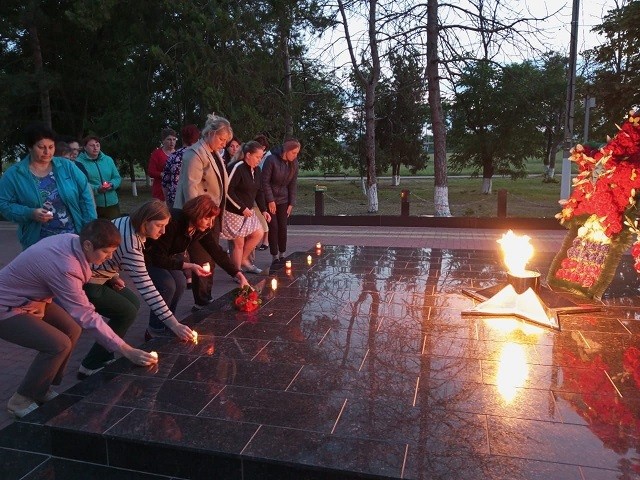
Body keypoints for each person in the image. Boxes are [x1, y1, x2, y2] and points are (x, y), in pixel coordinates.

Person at [0, 219, 158, 418]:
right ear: (88, 244)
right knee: (58, 344)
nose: (110, 257)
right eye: (105, 252)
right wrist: (126, 350)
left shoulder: (73, 241)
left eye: (112, 252)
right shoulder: (66, 265)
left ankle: (42, 388)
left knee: (72, 329)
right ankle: (20, 400)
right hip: (7, 306)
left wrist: (110, 277)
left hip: (30, 299)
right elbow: (86, 314)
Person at [78, 200, 195, 378]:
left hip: (102, 276)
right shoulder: (131, 245)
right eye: (159, 225)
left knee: (132, 302)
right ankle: (90, 365)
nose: (163, 231)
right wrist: (174, 324)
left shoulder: (126, 222)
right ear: (145, 221)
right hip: (87, 282)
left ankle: (107, 352)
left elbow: (111, 257)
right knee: (126, 312)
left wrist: (113, 275)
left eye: (165, 226)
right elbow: (147, 288)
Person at [145, 195, 250, 333]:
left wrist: (238, 274)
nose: (210, 224)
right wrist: (189, 266)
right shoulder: (174, 222)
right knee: (168, 286)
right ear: (196, 214)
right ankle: (154, 329)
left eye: (212, 219)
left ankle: (168, 322)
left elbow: (216, 251)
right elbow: (158, 256)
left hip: (170, 257)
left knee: (181, 284)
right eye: (207, 218)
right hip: (150, 256)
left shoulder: (201, 229)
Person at [0, 123, 97, 250]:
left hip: (73, 238)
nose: (47, 152)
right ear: (30, 147)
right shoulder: (15, 175)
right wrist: (30, 213)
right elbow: (3, 204)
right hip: (37, 243)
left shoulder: (67, 166)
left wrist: (89, 228)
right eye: (41, 147)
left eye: (51, 147)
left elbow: (85, 195)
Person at [174, 114, 233, 308]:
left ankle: (206, 296)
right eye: (222, 139)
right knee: (201, 257)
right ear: (211, 133)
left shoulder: (213, 152)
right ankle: (201, 301)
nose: (224, 144)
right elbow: (190, 189)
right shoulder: (195, 154)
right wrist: (199, 219)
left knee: (211, 257)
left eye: (226, 141)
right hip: (199, 216)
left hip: (211, 215)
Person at [221, 141, 270, 273]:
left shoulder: (257, 170)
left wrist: (264, 209)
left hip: (248, 211)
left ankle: (243, 261)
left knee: (258, 233)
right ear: (248, 155)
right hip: (233, 212)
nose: (260, 160)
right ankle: (236, 272)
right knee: (239, 243)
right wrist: (241, 208)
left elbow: (259, 191)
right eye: (258, 157)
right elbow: (227, 191)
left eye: (261, 157)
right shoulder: (237, 167)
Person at [261, 139, 301, 262]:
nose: (295, 156)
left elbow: (292, 184)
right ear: (287, 150)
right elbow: (265, 182)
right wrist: (270, 200)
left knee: (283, 227)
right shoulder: (271, 160)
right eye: (293, 153)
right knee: (274, 227)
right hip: (271, 199)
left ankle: (282, 253)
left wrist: (291, 203)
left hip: (284, 199)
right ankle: (274, 255)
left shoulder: (294, 163)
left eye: (297, 153)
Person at [76, 135, 122, 220]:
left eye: (97, 145)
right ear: (85, 147)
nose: (95, 148)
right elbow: (81, 183)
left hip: (112, 202)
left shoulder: (108, 160)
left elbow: (117, 177)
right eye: (92, 145)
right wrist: (97, 189)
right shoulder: (79, 162)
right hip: (93, 204)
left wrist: (111, 184)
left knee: (114, 228)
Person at [161, 124, 200, 208]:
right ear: (197, 139)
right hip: (195, 202)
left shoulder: (173, 156)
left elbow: (165, 183)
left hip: (175, 201)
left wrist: (168, 203)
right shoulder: (200, 156)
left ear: (182, 139)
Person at [148, 128, 177, 201]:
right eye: (169, 139)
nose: (172, 142)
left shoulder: (178, 154)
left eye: (174, 139)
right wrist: (163, 175)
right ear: (163, 141)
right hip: (160, 192)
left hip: (175, 192)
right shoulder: (157, 154)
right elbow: (151, 172)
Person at [253, 134, 271, 251]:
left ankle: (265, 240)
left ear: (263, 147)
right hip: (256, 189)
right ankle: (257, 240)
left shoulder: (267, 158)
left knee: (262, 215)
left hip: (262, 190)